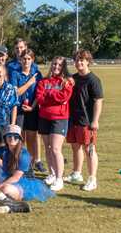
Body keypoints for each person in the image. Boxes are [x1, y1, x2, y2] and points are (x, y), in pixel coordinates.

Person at [0, 125, 54, 201]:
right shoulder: (3, 149)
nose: (12, 138)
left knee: (6, 189)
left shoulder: (24, 154)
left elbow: (16, 178)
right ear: (5, 138)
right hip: (6, 177)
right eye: (9, 136)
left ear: (19, 139)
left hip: (21, 182)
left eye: (15, 136)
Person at [65, 50, 103, 191]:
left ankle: (92, 178)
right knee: (75, 147)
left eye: (82, 60)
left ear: (88, 61)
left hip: (87, 121)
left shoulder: (93, 80)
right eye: (76, 60)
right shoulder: (73, 79)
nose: (79, 62)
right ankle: (77, 173)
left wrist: (95, 120)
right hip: (73, 119)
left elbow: (98, 101)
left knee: (89, 149)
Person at [36, 56, 74, 191]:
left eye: (59, 65)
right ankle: (52, 174)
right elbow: (40, 98)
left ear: (63, 67)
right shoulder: (43, 81)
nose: (56, 67)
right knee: (48, 148)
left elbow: (64, 97)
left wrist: (50, 94)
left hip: (59, 118)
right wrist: (54, 95)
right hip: (44, 117)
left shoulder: (67, 82)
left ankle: (59, 179)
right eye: (54, 64)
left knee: (56, 149)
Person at [9, 49, 45, 173]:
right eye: (24, 58)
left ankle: (30, 166)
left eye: (29, 59)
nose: (26, 61)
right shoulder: (15, 74)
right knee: (20, 138)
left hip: (32, 110)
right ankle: (19, 164)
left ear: (32, 60)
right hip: (18, 110)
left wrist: (33, 107)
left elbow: (39, 94)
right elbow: (16, 92)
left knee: (31, 138)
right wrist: (29, 83)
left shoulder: (37, 74)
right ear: (20, 60)